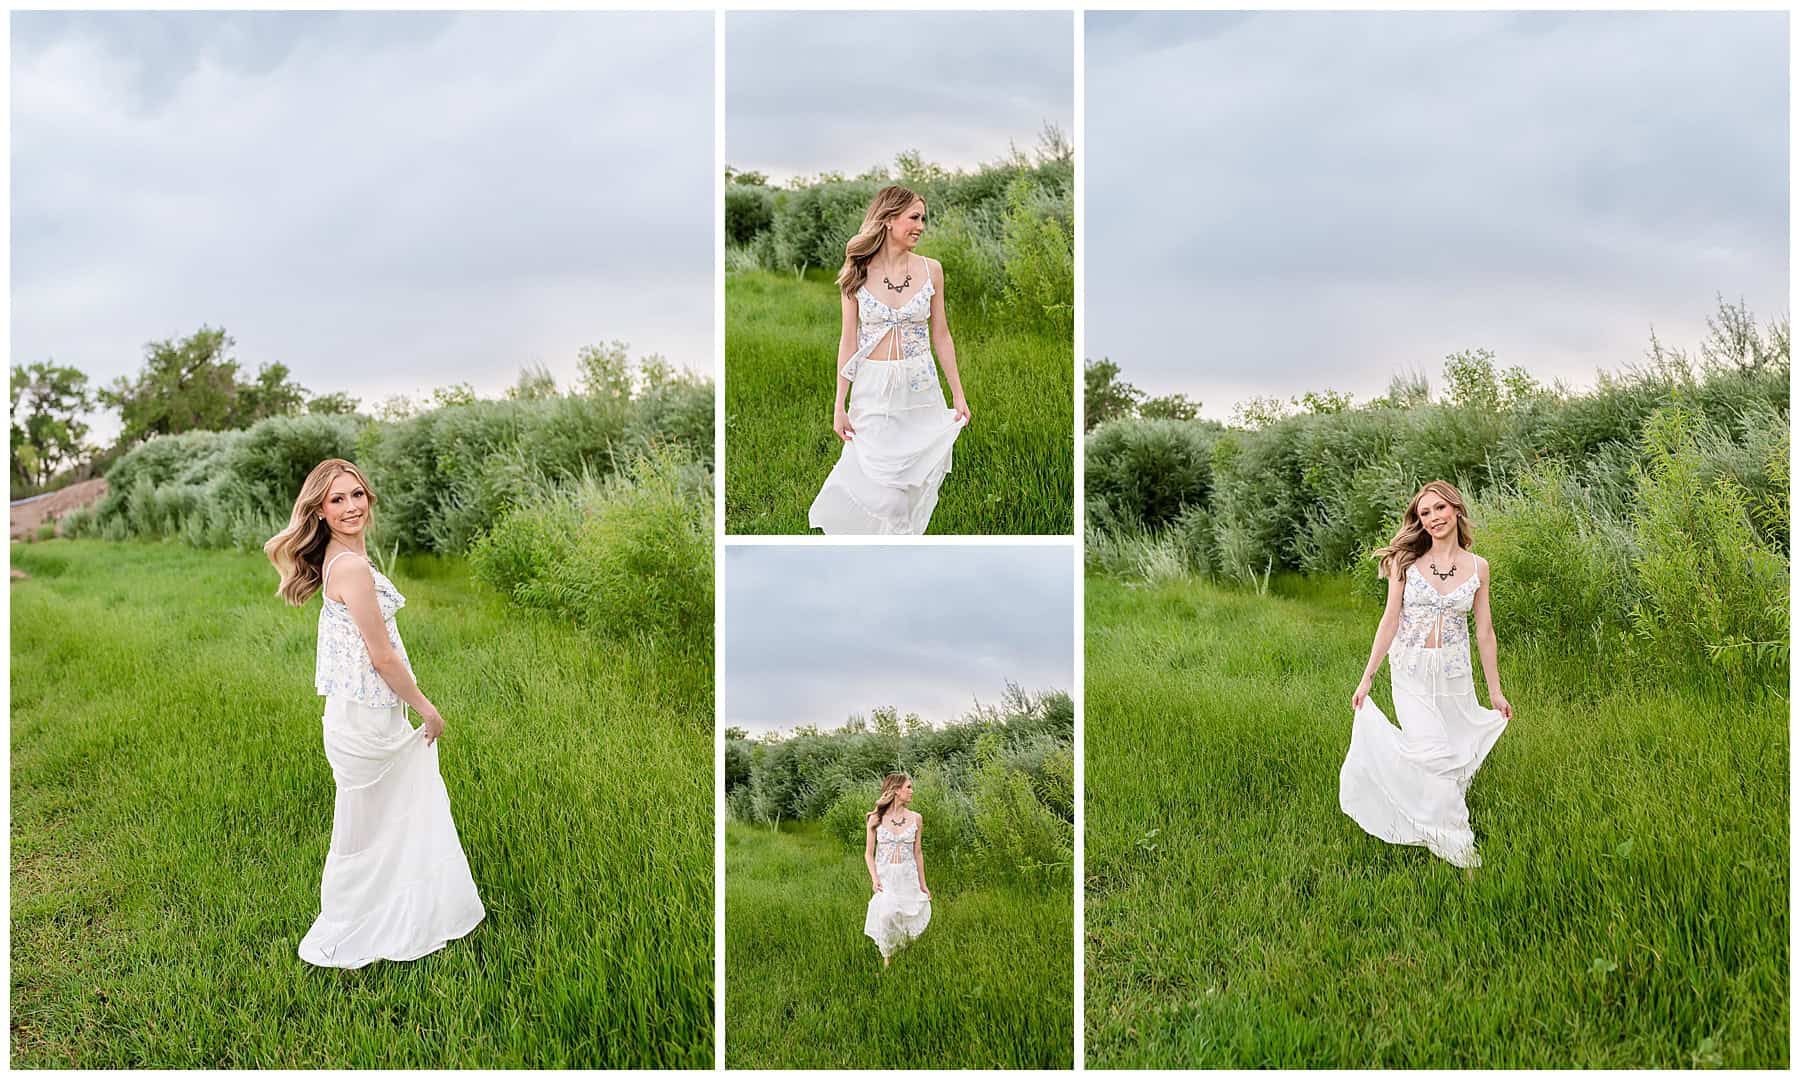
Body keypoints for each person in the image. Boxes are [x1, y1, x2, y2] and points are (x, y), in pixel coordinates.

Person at [265, 458, 484, 966]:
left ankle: (391, 913)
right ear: (318, 511)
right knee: (369, 827)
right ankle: (352, 924)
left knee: (390, 821)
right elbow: (381, 654)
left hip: (361, 714)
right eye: (336, 499)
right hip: (364, 722)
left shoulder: (342, 560)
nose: (350, 507)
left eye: (356, 495)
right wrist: (428, 710)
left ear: (370, 498)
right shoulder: (351, 567)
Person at [1339, 480, 1513, 870]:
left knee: (1451, 761)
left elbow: (1484, 632)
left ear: (1456, 509)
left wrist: (1496, 692)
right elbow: (1389, 621)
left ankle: (1432, 815)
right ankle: (1462, 854)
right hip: (1412, 675)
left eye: (1439, 509)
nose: (1433, 518)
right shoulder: (1405, 565)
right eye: (1424, 513)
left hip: (1454, 678)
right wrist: (1367, 676)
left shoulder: (1478, 567)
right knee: (1434, 756)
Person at [809, 184, 970, 534]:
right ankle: (895, 535)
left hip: (921, 387)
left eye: (923, 218)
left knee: (911, 486)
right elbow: (848, 341)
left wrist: (958, 393)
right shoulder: (857, 271)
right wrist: (840, 403)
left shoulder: (932, 270)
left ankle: (898, 546)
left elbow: (941, 334)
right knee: (884, 488)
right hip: (874, 389)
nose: (921, 226)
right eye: (914, 217)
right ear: (888, 219)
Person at [862, 773, 932, 966]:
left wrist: (923, 884)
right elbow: (868, 854)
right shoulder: (876, 819)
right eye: (908, 787)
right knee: (886, 914)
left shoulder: (916, 818)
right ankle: (887, 959)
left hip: (908, 876)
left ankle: (904, 952)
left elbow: (918, 853)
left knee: (906, 913)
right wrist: (874, 878)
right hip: (886, 878)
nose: (911, 791)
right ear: (896, 790)